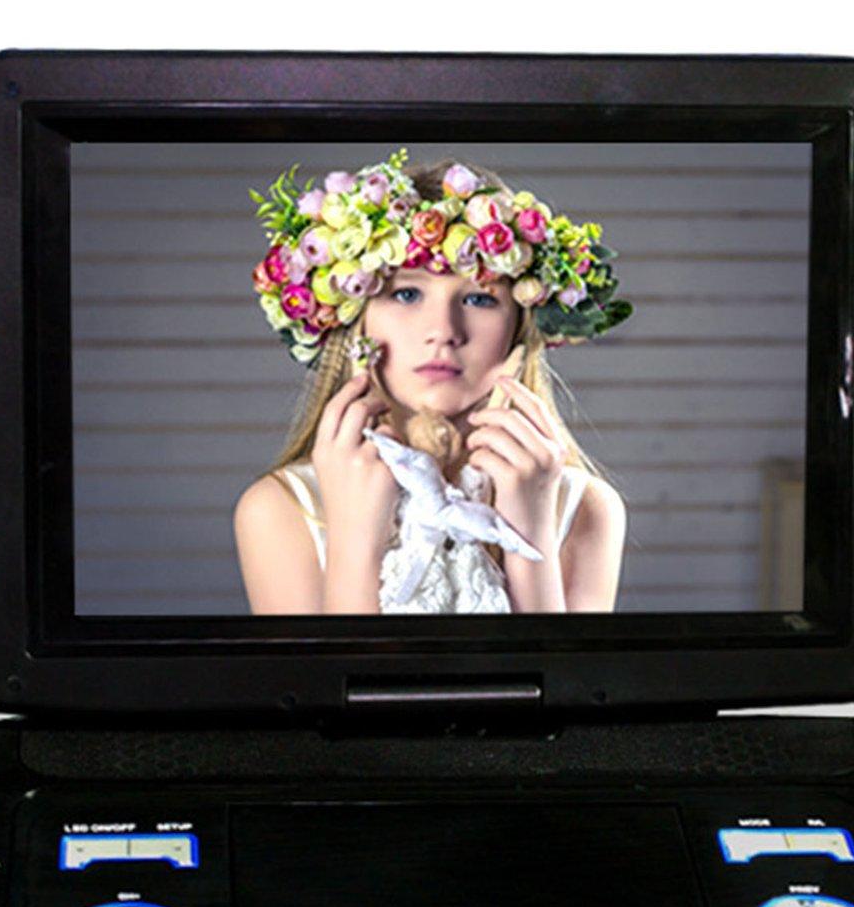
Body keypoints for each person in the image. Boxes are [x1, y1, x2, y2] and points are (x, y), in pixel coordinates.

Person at [234, 149, 632, 615]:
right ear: (355, 318)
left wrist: (530, 541)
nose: (443, 331)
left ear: (520, 328)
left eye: (480, 299)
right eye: (406, 293)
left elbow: (558, 667)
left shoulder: (584, 507)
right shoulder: (281, 507)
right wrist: (356, 543)